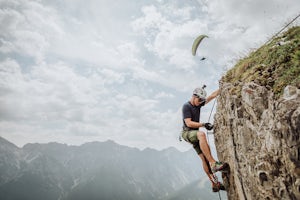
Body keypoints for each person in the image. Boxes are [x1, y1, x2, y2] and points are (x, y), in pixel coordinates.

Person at [181, 85, 226, 192]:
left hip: (193, 134)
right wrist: (204, 124)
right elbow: (189, 123)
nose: (200, 102)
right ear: (194, 96)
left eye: (202, 100)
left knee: (203, 158)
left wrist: (224, 86)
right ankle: (214, 163)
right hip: (187, 133)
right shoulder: (186, 106)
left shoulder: (198, 104)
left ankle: (214, 184)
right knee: (201, 134)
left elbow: (211, 96)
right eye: (199, 99)